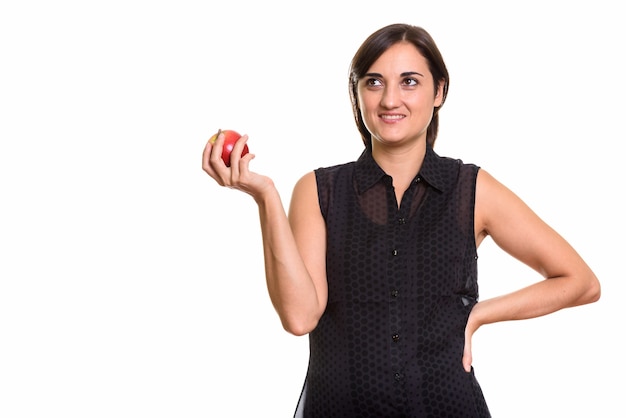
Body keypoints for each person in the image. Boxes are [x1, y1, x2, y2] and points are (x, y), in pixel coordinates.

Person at [202, 23, 600, 418]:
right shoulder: (319, 190)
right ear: (356, 95)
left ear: (439, 91)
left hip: (443, 407)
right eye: (374, 83)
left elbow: (580, 282)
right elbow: (300, 316)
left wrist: (479, 314)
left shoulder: (472, 189)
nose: (390, 99)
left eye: (409, 81)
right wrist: (265, 197)